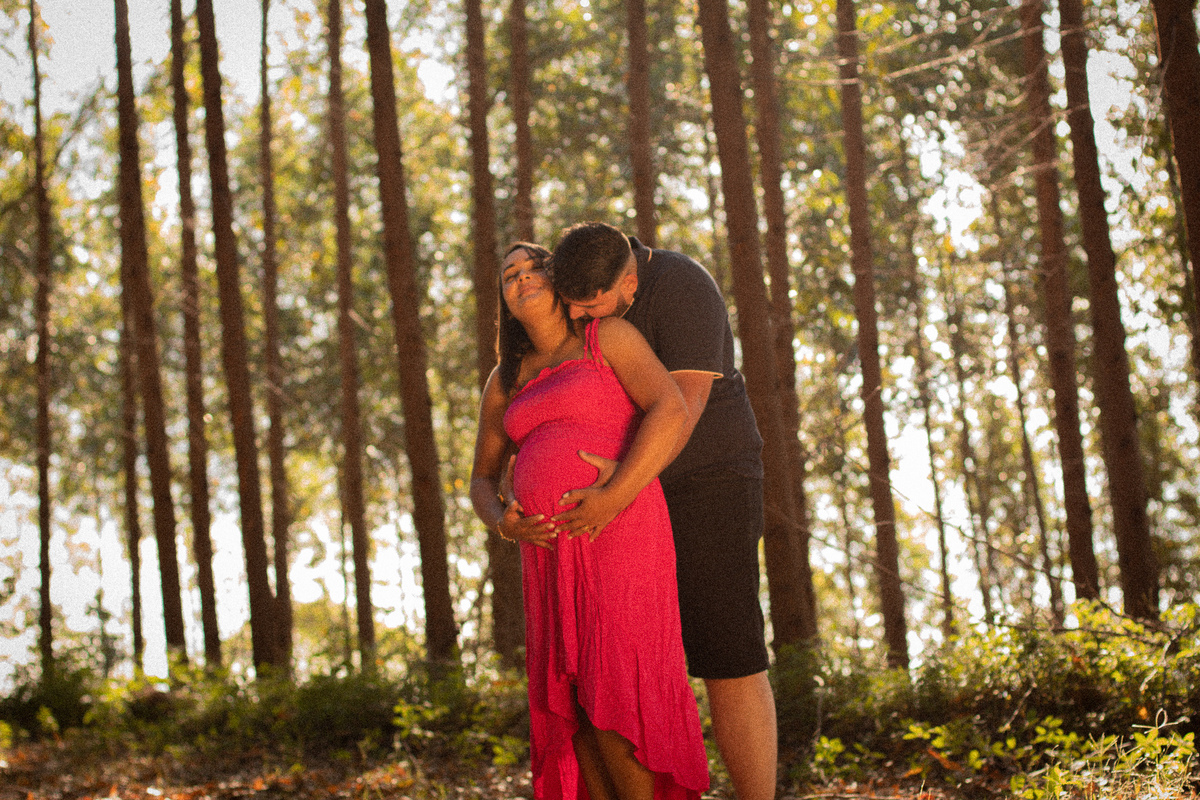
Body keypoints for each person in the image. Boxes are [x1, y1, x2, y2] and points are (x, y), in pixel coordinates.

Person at [548, 222, 779, 800]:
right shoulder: (584, 289)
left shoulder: (682, 285)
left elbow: (684, 406)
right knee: (619, 662)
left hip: (709, 481)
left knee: (727, 654)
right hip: (628, 494)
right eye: (569, 303)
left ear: (629, 282)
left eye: (590, 305)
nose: (576, 316)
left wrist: (619, 489)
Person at [470, 242, 709, 800]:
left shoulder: (608, 338)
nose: (522, 278)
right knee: (574, 704)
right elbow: (481, 478)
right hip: (548, 553)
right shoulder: (505, 378)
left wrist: (614, 495)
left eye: (534, 267)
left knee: (614, 687)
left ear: (560, 280)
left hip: (619, 529)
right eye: (509, 274)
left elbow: (670, 407)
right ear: (503, 298)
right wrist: (503, 522)